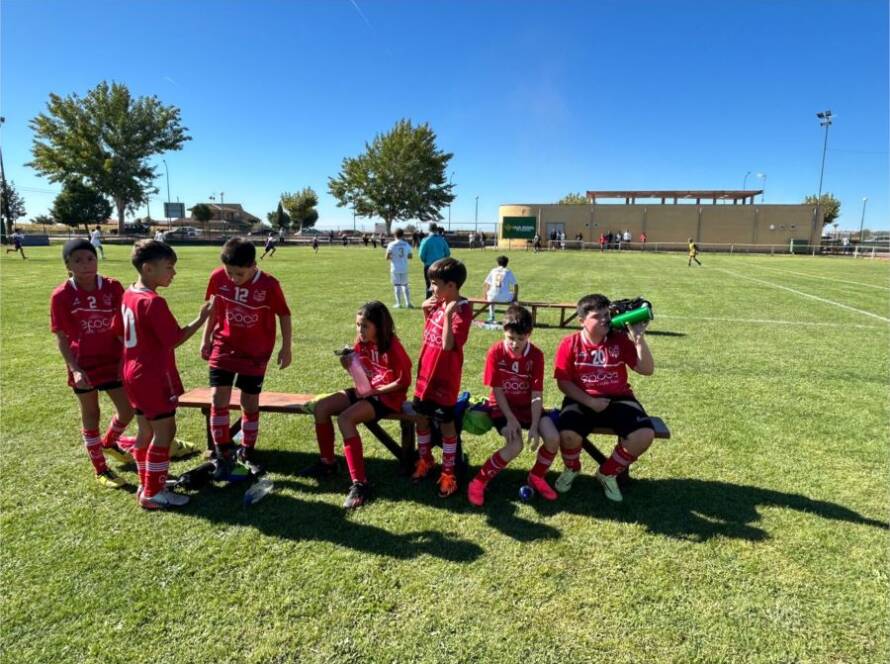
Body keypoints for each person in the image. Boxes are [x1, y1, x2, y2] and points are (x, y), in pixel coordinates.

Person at [119, 240, 214, 509]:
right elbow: (174, 338)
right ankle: (152, 492)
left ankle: (145, 481)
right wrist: (202, 317)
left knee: (145, 431)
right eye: (169, 267)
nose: (173, 273)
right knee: (165, 431)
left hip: (131, 372)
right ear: (148, 269)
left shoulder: (129, 293)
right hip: (151, 375)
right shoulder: (153, 302)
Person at [299, 301, 412, 508]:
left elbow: (403, 381)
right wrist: (347, 364)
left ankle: (361, 484)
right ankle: (328, 464)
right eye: (358, 325)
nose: (360, 330)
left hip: (387, 398)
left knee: (345, 419)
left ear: (380, 326)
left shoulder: (393, 347)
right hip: (366, 391)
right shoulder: (361, 342)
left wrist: (376, 391)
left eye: (365, 326)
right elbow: (360, 372)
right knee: (322, 408)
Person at [200, 238, 292, 472]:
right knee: (217, 398)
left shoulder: (269, 285)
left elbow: (284, 314)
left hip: (256, 352)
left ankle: (247, 450)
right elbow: (213, 309)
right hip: (224, 345)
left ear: (253, 265)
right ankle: (223, 451)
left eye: (239, 274)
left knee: (248, 402)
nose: (233, 279)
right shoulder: (217, 277)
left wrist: (286, 347)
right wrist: (205, 338)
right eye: (229, 272)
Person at [552, 294, 655, 503]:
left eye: (607, 315)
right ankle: (572, 468)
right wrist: (590, 402)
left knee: (644, 434)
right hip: (582, 398)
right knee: (568, 434)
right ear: (582, 321)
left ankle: (607, 472)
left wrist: (638, 338)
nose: (605, 320)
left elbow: (646, 369)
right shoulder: (569, 343)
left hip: (618, 399)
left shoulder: (619, 340)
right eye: (598, 316)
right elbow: (563, 382)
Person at [51, 239, 133, 488]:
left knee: (128, 410)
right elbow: (62, 338)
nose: (86, 265)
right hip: (83, 365)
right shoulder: (61, 295)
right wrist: (75, 370)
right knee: (91, 413)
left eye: (90, 258)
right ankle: (100, 468)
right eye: (78, 260)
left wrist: (124, 359)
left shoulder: (112, 287)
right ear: (68, 265)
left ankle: (108, 443)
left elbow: (123, 328)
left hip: (112, 361)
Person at [467, 305, 561, 506]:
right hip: (502, 407)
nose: (515, 344)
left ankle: (536, 476)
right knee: (515, 445)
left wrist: (535, 426)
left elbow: (536, 394)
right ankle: (478, 481)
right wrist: (509, 418)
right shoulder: (495, 352)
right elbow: (498, 390)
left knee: (553, 438)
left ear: (529, 335)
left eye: (521, 339)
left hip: (528, 408)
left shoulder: (536, 355)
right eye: (511, 338)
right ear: (504, 332)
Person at [411, 257, 471, 498]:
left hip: (445, 381)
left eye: (435, 283)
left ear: (452, 285)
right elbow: (430, 336)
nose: (431, 288)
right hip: (425, 376)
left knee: (447, 426)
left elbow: (447, 346)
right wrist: (427, 310)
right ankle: (426, 460)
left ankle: (449, 472)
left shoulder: (461, 309)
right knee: (421, 419)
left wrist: (447, 315)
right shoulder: (438, 303)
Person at [418, 223, 451, 298]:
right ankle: (441, 301)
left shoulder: (425, 240)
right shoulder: (442, 240)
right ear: (436, 229)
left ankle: (429, 303)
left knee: (429, 285)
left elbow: (421, 255)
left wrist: (425, 261)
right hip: (441, 266)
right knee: (441, 284)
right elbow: (448, 253)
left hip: (429, 266)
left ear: (428, 230)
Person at [482, 255, 518, 322]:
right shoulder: (508, 272)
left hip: (492, 298)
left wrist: (485, 295)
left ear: (497, 263)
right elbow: (515, 285)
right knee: (514, 299)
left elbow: (487, 283)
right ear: (507, 264)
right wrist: (515, 297)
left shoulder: (493, 270)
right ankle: (511, 317)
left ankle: (491, 316)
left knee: (491, 294)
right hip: (505, 298)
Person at [385, 228, 414, 308]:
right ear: (402, 235)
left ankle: (398, 304)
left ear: (394, 235)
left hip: (395, 268)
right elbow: (410, 256)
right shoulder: (406, 244)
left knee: (397, 285)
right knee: (405, 285)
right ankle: (408, 303)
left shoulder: (391, 244)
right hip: (404, 267)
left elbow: (387, 257)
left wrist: (394, 257)